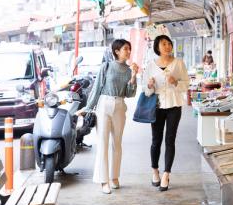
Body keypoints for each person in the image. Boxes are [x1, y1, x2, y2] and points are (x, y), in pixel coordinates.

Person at [79, 39, 138, 194]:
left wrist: (134, 76)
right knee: (103, 143)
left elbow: (130, 94)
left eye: (129, 49)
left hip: (119, 104)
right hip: (104, 104)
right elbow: (96, 88)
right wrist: (88, 107)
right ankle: (103, 180)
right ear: (117, 51)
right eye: (126, 48)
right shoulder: (106, 67)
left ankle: (114, 177)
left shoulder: (129, 70)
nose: (128, 51)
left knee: (117, 144)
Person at [142, 35, 189, 191]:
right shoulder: (150, 65)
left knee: (170, 140)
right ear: (157, 47)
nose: (168, 46)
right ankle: (155, 170)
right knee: (156, 140)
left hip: (174, 105)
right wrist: (149, 85)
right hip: (156, 106)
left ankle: (166, 174)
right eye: (164, 44)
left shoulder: (179, 63)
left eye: (169, 43)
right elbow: (146, 90)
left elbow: (186, 85)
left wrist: (175, 82)